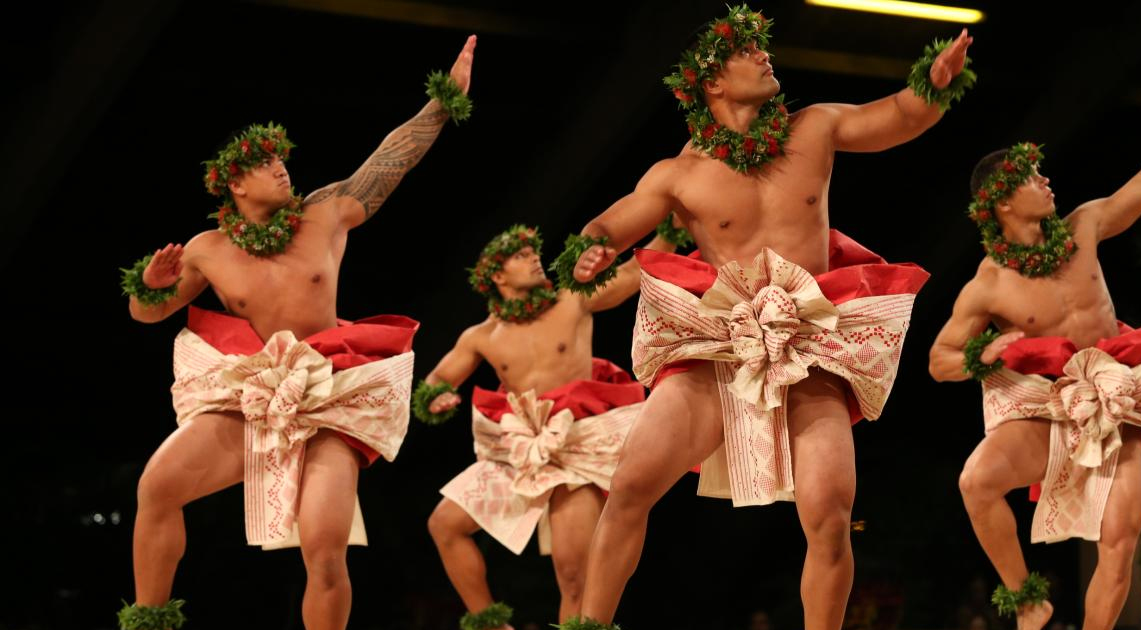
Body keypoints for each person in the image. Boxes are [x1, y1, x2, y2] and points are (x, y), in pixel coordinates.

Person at [552, 5, 973, 628]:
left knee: (830, 510)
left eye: (762, 48)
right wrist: (592, 244)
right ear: (712, 83)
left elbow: (897, 118)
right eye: (745, 51)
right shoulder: (680, 174)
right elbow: (619, 219)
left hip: (808, 343)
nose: (764, 54)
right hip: (721, 343)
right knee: (632, 484)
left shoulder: (815, 127)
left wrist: (933, 85)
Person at [114, 35, 477, 630]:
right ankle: (149, 621)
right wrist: (147, 286)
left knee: (326, 543)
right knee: (157, 485)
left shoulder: (325, 212)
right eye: (262, 163)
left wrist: (439, 105)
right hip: (255, 392)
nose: (279, 166)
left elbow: (390, 160)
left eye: (279, 158)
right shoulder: (209, 250)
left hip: (329, 391)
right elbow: (147, 314)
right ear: (234, 185)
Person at [928, 106, 1141, 629]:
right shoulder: (990, 284)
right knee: (975, 483)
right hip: (1051, 408)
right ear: (1003, 201)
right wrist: (979, 356)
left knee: (1118, 546)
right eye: (1031, 176)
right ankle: (1027, 600)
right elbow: (939, 361)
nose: (1045, 178)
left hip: (1120, 402)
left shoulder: (1085, 225)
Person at [414, 223, 677, 630]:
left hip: (577, 445)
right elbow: (435, 382)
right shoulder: (481, 336)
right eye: (520, 256)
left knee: (574, 572)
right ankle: (489, 623)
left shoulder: (572, 299)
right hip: (522, 446)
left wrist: (670, 229)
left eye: (533, 252)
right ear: (497, 277)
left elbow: (628, 275)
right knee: (444, 525)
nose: (535, 258)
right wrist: (437, 398)